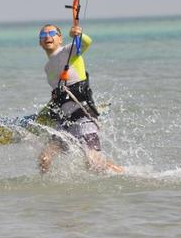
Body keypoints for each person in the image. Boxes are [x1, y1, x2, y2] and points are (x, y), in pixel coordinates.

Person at [36, 24, 124, 174]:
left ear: (60, 38)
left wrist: (78, 34)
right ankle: (46, 192)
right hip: (63, 121)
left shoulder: (68, 51)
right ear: (40, 43)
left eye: (52, 33)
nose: (47, 37)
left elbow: (86, 42)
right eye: (43, 35)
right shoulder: (47, 67)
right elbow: (58, 94)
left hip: (82, 115)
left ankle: (123, 172)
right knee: (44, 158)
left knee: (92, 161)